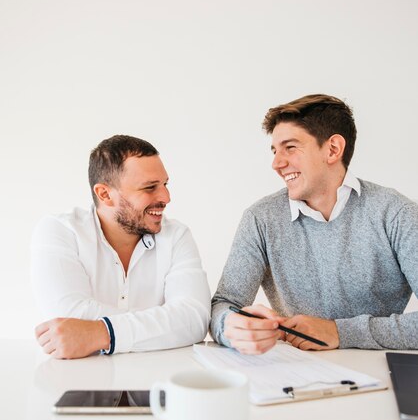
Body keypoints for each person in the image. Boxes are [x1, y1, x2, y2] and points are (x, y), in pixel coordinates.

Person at [211, 94, 418, 354]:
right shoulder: (260, 219)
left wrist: (339, 331)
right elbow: (224, 305)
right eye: (275, 150)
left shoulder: (397, 214)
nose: (276, 163)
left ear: (333, 149)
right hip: (294, 374)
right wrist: (232, 327)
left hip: (379, 374)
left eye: (290, 147)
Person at [32, 135, 211, 359]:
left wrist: (101, 333)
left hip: (156, 382)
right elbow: (67, 316)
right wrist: (166, 324)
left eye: (165, 184)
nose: (166, 197)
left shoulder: (176, 235)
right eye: (149, 187)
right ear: (105, 194)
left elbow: (194, 319)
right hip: (81, 383)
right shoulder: (60, 231)